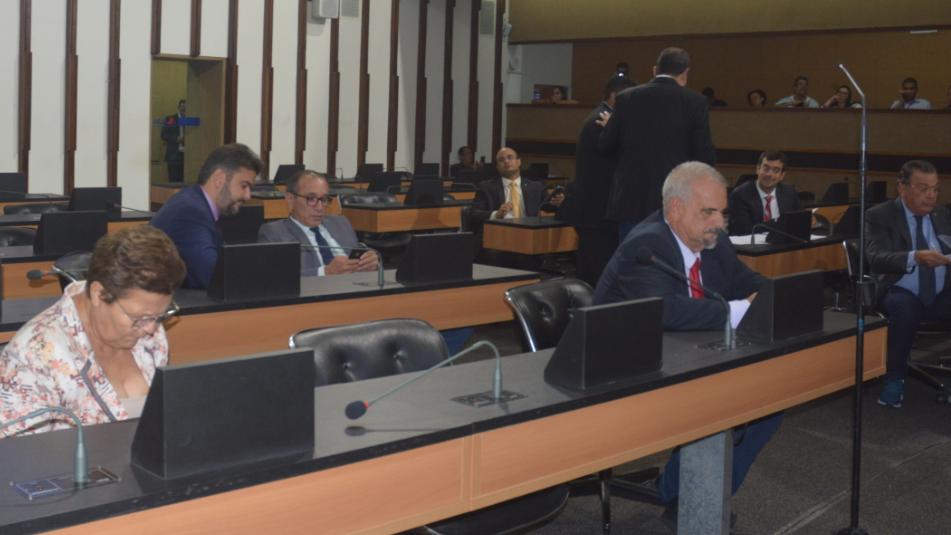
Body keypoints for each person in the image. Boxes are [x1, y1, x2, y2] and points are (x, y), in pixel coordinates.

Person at [593, 161, 781, 514]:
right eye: (709, 212)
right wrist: (741, 309)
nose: (719, 222)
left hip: (685, 355)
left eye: (723, 213)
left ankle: (690, 496)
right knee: (721, 398)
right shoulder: (646, 245)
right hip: (624, 366)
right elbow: (664, 310)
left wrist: (776, 297)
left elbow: (745, 280)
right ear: (676, 209)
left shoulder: (713, 240)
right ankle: (691, 499)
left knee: (767, 401)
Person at [0, 226, 186, 437]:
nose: (152, 328)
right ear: (98, 294)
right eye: (140, 318)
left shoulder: (149, 325)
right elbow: (14, 451)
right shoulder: (35, 355)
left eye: (161, 315)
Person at [598, 47, 716, 240]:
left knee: (632, 256)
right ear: (685, 73)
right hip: (675, 201)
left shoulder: (626, 97)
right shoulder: (695, 102)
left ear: (654, 70)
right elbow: (704, 157)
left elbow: (605, 146)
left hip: (630, 200)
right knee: (669, 257)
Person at [866, 160, 951, 408]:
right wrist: (915, 257)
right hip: (898, 288)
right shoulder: (880, 215)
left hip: (939, 292)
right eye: (923, 189)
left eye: (935, 189)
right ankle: (894, 379)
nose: (931, 196)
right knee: (906, 308)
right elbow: (876, 258)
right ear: (902, 188)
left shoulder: (941, 213)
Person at [151, 143, 262, 289]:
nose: (248, 196)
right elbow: (215, 278)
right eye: (244, 186)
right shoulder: (190, 212)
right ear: (219, 179)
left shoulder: (195, 202)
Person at [563, 74, 635, 286]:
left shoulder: (606, 119)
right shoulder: (600, 122)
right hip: (597, 214)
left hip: (597, 213)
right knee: (596, 278)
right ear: (616, 96)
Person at [258, 170, 378, 276]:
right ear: (290, 199)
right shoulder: (274, 233)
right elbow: (277, 277)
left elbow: (360, 257)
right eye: (311, 199)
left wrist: (370, 262)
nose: (320, 207)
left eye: (324, 199)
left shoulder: (341, 223)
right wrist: (325, 272)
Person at [728, 151, 802, 235]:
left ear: (782, 175)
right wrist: (778, 224)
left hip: (784, 242)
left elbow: (798, 220)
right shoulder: (740, 195)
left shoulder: (789, 192)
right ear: (758, 169)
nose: (769, 174)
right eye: (766, 168)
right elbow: (743, 231)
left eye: (776, 170)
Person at [469, 147, 549, 225]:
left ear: (518, 162)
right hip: (500, 230)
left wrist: (555, 204)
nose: (506, 161)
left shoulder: (536, 187)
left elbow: (549, 207)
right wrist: (496, 215)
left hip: (530, 230)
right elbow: (474, 213)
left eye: (510, 157)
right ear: (497, 167)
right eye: (501, 160)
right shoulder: (486, 187)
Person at [160, 99, 186, 182]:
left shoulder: (190, 120)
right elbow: (163, 135)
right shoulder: (171, 119)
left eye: (185, 109)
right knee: (173, 181)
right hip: (173, 155)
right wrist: (176, 138)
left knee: (184, 181)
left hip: (186, 156)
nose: (184, 110)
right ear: (178, 108)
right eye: (182, 108)